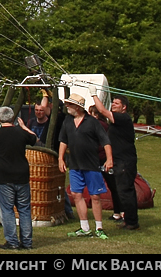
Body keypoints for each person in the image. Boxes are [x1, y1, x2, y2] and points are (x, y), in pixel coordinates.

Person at [0, 106, 37, 250]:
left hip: (4, 177)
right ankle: (27, 242)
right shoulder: (21, 133)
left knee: (7, 210)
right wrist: (24, 127)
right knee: (24, 210)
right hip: (22, 176)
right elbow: (34, 138)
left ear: (0, 118)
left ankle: (12, 242)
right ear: (13, 118)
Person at [59, 93, 113, 238]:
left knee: (95, 196)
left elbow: (106, 141)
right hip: (75, 165)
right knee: (76, 195)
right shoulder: (67, 121)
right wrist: (61, 158)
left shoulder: (92, 122)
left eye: (69, 104)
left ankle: (99, 228)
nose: (67, 106)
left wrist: (109, 159)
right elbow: (63, 141)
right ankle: (84, 227)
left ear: (77, 107)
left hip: (92, 165)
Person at [94, 93, 139, 231]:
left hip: (125, 161)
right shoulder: (118, 120)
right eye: (113, 102)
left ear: (124, 107)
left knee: (125, 191)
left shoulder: (123, 118)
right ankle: (128, 220)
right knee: (122, 191)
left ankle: (132, 222)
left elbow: (101, 110)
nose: (113, 104)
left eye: (117, 103)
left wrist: (93, 94)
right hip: (120, 160)